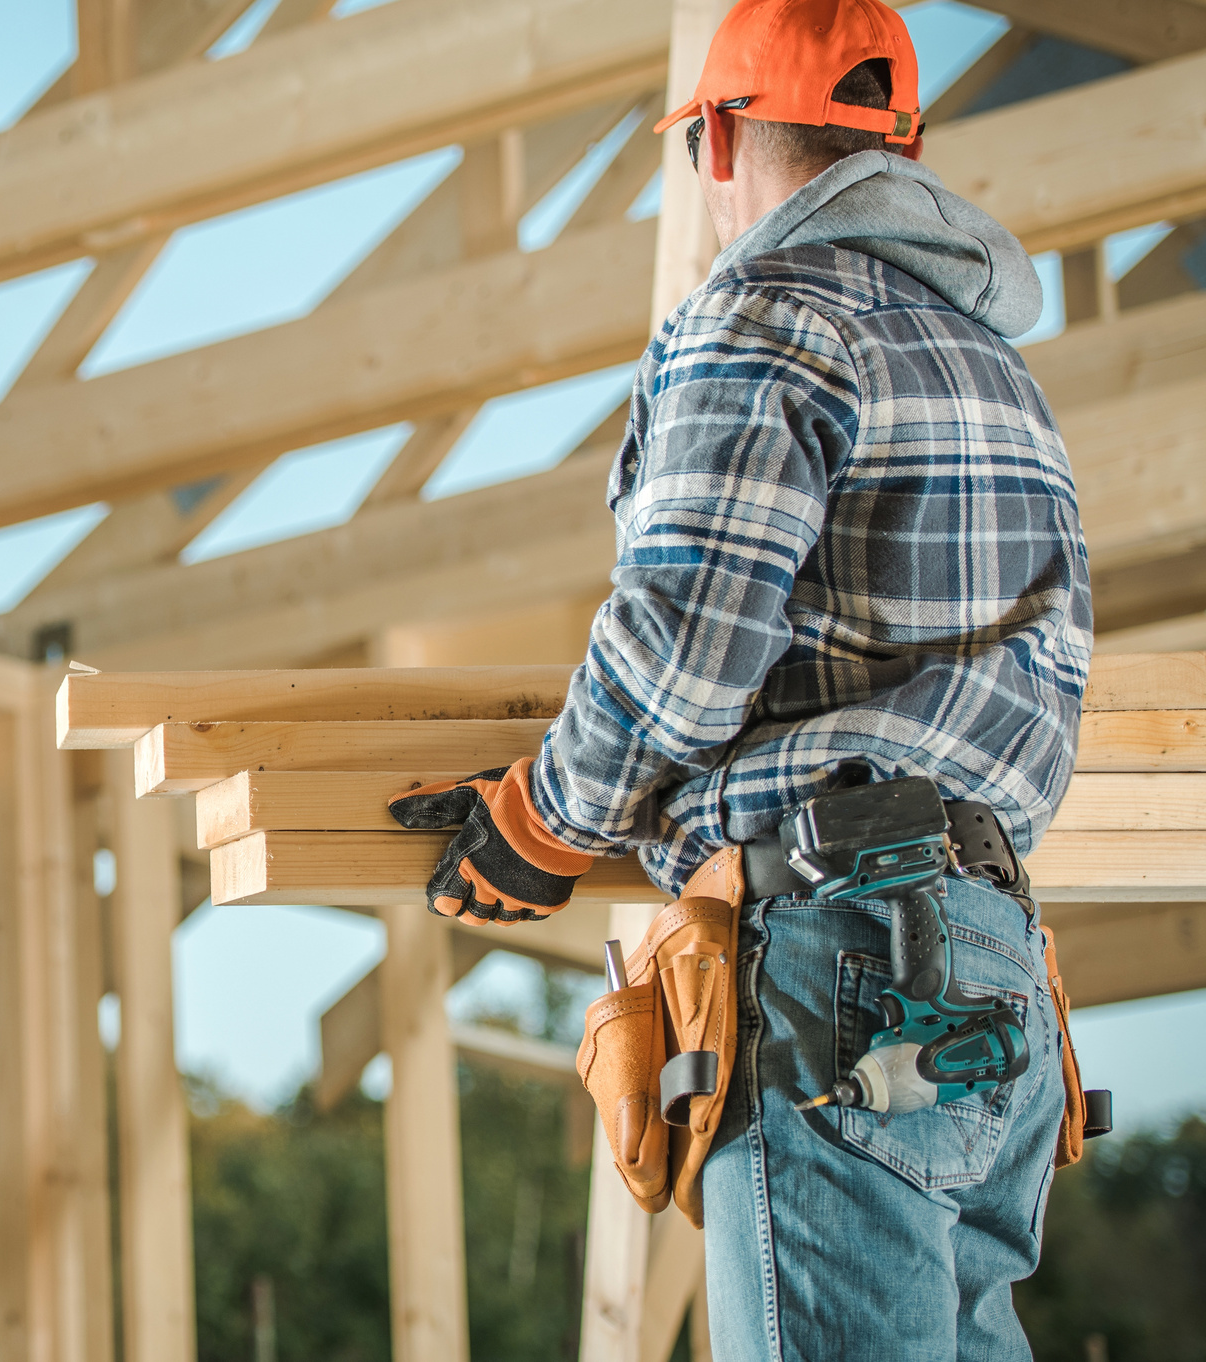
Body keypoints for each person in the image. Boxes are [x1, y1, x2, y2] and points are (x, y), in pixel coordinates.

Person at [389, 0, 1088, 1355]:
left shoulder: (763, 316)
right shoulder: (999, 371)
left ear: (715, 136)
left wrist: (541, 819)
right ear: (902, 144)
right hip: (993, 968)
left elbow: (682, 638)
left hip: (842, 967)